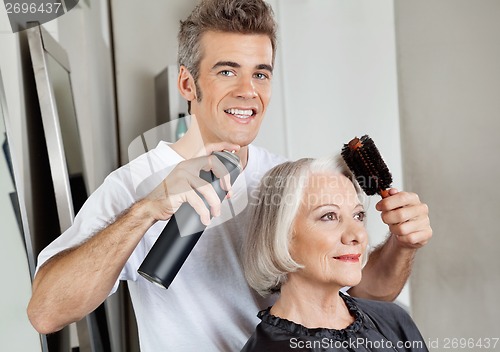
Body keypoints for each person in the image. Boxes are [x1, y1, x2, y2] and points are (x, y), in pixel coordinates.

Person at [27, 0, 432, 351]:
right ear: (188, 83)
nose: (247, 90)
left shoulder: (283, 179)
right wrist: (147, 210)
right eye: (226, 71)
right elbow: (46, 313)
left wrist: (401, 246)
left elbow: (356, 298)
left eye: (260, 73)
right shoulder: (133, 187)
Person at [241, 157, 428, 351]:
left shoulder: (394, 320)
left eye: (358, 216)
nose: (357, 235)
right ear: (281, 234)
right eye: (329, 216)